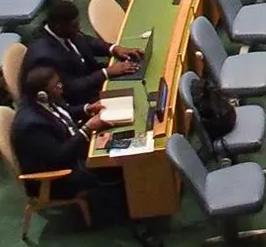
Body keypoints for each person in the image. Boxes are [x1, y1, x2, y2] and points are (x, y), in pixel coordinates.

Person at [12, 66, 160, 246]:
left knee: (126, 146)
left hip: (74, 151)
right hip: (59, 177)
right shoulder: (31, 125)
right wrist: (87, 129)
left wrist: (88, 109)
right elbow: (59, 158)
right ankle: (140, 223)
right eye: (57, 85)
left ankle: (151, 199)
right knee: (121, 168)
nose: (61, 87)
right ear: (43, 93)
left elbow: (63, 113)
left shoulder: (44, 101)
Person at [25, 0, 142, 106]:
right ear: (59, 27)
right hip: (80, 99)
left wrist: (113, 49)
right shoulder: (44, 57)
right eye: (74, 26)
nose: (79, 29)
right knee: (136, 100)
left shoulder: (65, 31)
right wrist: (106, 72)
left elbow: (87, 41)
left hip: (92, 79)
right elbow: (69, 88)